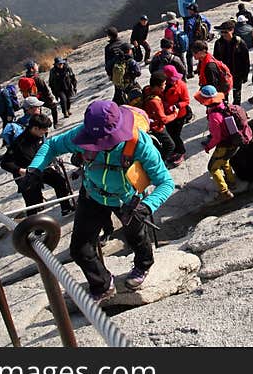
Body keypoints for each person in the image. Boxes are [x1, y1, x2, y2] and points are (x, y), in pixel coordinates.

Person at [26, 100, 175, 301]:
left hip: (127, 199)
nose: (101, 145)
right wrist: (35, 168)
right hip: (92, 194)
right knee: (79, 248)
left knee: (137, 238)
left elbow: (165, 182)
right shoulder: (83, 133)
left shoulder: (138, 143)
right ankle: (103, 284)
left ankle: (143, 265)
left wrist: (147, 206)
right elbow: (52, 145)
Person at [1, 113, 73, 217]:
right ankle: (37, 229)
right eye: (44, 129)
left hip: (43, 168)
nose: (46, 131)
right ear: (35, 128)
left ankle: (66, 208)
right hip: (26, 174)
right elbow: (5, 163)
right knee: (32, 202)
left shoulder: (41, 135)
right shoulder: (19, 143)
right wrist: (20, 170)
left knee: (60, 182)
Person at [196, 85, 239, 201]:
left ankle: (225, 191)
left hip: (224, 145)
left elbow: (216, 137)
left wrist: (208, 147)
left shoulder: (215, 116)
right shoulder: (224, 105)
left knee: (212, 168)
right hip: (234, 142)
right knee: (225, 161)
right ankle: (232, 181)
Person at [142, 71, 178, 163]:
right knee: (170, 145)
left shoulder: (146, 89)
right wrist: (175, 114)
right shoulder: (154, 101)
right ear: (157, 86)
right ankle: (161, 162)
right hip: (156, 126)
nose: (165, 86)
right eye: (164, 84)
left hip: (149, 122)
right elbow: (163, 119)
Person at [213, 20, 251, 106]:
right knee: (223, 96)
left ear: (232, 30)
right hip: (224, 75)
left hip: (237, 74)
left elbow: (246, 60)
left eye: (225, 32)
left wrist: (245, 75)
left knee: (237, 96)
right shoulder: (218, 43)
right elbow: (215, 60)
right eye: (222, 32)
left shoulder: (240, 43)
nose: (223, 34)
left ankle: (236, 111)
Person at [162, 65, 190, 165]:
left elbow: (186, 101)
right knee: (170, 133)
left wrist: (176, 105)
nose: (174, 81)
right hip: (167, 114)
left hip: (179, 115)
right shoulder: (163, 85)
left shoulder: (181, 85)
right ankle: (176, 150)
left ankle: (181, 152)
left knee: (176, 135)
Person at [23, 60, 60, 125]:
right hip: (41, 98)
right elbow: (45, 90)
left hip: (31, 100)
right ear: (32, 69)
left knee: (36, 114)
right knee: (53, 107)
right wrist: (50, 99)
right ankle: (55, 123)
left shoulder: (26, 78)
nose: (37, 66)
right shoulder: (37, 78)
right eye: (35, 65)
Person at [185, 4, 212, 77]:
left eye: (189, 9)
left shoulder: (190, 20)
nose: (188, 11)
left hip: (193, 41)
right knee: (202, 55)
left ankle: (190, 73)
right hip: (202, 40)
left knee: (189, 56)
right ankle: (200, 68)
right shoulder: (203, 18)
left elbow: (189, 32)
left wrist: (190, 41)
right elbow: (209, 25)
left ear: (192, 10)